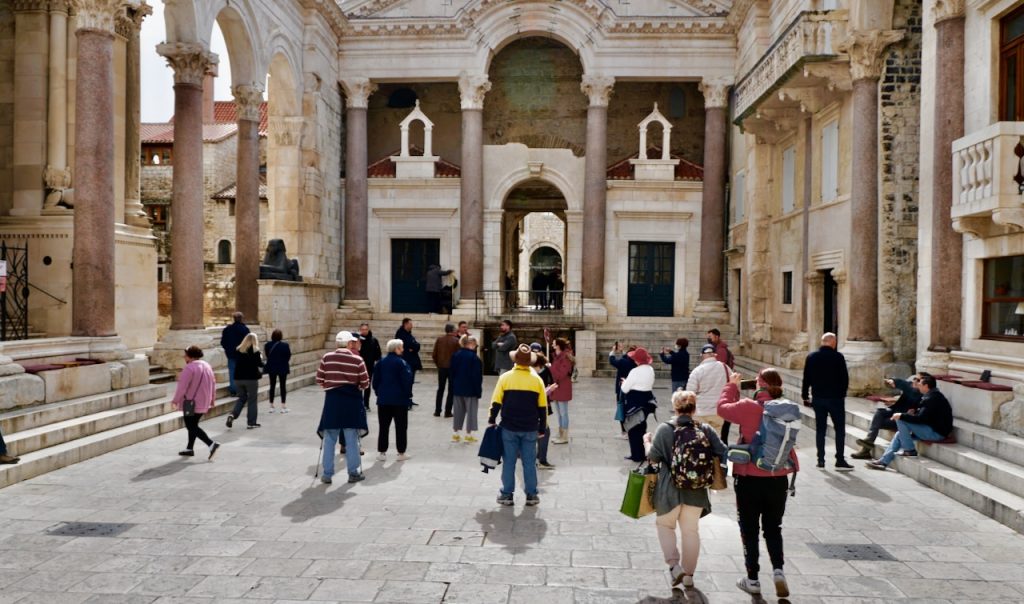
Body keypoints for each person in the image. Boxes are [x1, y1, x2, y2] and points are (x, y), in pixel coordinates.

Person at [717, 369, 798, 598]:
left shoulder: (747, 406)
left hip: (749, 477)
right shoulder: (788, 410)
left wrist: (732, 385)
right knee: (774, 528)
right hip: (778, 477)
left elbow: (722, 408)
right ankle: (778, 571)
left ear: (759, 384)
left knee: (749, 530)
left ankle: (752, 579)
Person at [643, 390, 726, 589]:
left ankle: (674, 567)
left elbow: (652, 457)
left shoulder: (665, 429)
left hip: (669, 490)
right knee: (691, 532)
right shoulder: (705, 429)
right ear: (694, 408)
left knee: (665, 526)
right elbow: (722, 450)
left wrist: (647, 441)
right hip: (696, 491)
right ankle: (688, 575)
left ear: (675, 408)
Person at [488, 344, 548, 506]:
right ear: (530, 362)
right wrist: (542, 428)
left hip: (509, 427)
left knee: (509, 462)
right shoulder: (537, 380)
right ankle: (531, 495)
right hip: (530, 428)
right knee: (529, 462)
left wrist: (491, 419)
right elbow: (543, 407)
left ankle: (507, 494)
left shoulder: (505, 378)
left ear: (515, 360)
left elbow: (496, 402)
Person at [867, 373, 954, 470]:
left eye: (920, 384)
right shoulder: (932, 395)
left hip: (936, 433)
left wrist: (902, 415)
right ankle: (883, 461)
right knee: (899, 434)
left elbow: (921, 419)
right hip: (930, 428)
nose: (918, 386)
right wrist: (913, 413)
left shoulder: (932, 398)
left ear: (926, 386)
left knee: (901, 419)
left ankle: (910, 449)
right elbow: (926, 415)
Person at [315, 331, 370, 484]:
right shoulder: (357, 360)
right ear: (349, 343)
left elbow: (319, 379)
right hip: (351, 403)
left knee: (329, 439)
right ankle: (353, 473)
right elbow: (365, 383)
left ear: (336, 343)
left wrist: (332, 386)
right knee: (352, 438)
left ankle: (327, 474)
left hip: (332, 402)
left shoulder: (327, 358)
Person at [801, 332, 854, 471]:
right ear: (833, 342)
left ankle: (821, 460)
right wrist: (841, 394)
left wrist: (805, 395)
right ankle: (840, 460)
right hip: (835, 399)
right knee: (840, 430)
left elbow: (806, 378)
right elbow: (844, 378)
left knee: (820, 430)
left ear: (822, 341)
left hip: (818, 398)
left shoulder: (811, 357)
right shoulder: (838, 357)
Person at [851, 374, 923, 459]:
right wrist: (892, 380)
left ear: (924, 384)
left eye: (918, 380)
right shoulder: (911, 387)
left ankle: (866, 448)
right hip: (894, 412)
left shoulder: (920, 393)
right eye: (914, 379)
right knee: (879, 413)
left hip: (901, 420)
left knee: (877, 422)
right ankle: (868, 442)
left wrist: (895, 381)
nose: (914, 381)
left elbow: (905, 386)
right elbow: (904, 384)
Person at [171, 345, 221, 459]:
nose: (184, 357)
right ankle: (189, 448)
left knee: (191, 426)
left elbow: (182, 387)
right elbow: (213, 384)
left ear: (190, 356)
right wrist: (212, 400)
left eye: (185, 355)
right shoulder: (207, 366)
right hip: (204, 401)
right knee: (193, 425)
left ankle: (211, 444)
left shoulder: (189, 368)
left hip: (190, 403)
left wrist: (175, 400)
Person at [373, 339, 414, 462]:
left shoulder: (380, 363)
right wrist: (408, 395)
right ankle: (401, 452)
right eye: (401, 347)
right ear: (396, 349)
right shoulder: (402, 363)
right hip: (399, 401)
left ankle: (382, 452)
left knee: (383, 426)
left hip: (383, 400)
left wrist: (379, 393)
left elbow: (375, 382)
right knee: (401, 427)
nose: (403, 350)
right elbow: (407, 381)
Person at [621, 347, 658, 462]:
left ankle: (636, 455)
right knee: (642, 427)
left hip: (635, 402)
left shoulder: (635, 371)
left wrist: (624, 382)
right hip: (647, 401)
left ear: (637, 360)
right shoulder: (650, 370)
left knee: (633, 429)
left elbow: (625, 389)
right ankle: (642, 453)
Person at [686, 344, 729, 431]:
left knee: (701, 439)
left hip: (701, 411)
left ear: (702, 355)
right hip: (718, 410)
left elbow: (690, 392)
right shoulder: (725, 367)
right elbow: (734, 383)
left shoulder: (697, 371)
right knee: (715, 438)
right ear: (714, 354)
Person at [225, 333, 264, 429]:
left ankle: (233, 415)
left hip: (238, 379)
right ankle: (251, 423)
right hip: (251, 379)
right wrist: (261, 358)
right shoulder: (256, 351)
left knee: (242, 398)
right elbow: (260, 364)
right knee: (252, 400)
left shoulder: (238, 350)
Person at [450, 335, 483, 443]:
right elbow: (476, 376)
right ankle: (468, 434)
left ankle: (455, 434)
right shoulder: (474, 358)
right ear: (471, 344)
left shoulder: (455, 355)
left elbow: (452, 373)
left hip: (457, 388)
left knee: (458, 411)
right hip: (471, 389)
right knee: (471, 412)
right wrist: (478, 391)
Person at [531, 347, 557, 469]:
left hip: (527, 410)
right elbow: (537, 394)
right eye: (540, 367)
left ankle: (534, 457)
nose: (541, 369)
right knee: (544, 432)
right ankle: (541, 460)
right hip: (535, 409)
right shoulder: (533, 377)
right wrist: (549, 390)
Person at [548, 337, 575, 445]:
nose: (552, 344)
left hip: (562, 386)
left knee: (563, 413)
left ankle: (564, 436)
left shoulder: (565, 357)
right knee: (559, 413)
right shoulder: (556, 356)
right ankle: (560, 433)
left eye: (554, 343)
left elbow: (562, 373)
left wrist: (551, 369)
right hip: (556, 387)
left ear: (558, 345)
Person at [432, 323, 461, 417]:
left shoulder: (439, 340)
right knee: (451, 390)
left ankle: (437, 411)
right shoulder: (457, 341)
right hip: (452, 368)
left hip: (442, 368)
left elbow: (434, 355)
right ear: (452, 331)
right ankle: (447, 411)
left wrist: (438, 365)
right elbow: (459, 356)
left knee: (440, 389)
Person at [609, 342, 637, 437]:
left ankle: (624, 432)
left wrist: (613, 351)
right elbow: (628, 357)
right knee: (631, 410)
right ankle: (631, 430)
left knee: (621, 409)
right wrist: (622, 351)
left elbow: (612, 360)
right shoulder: (636, 363)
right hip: (633, 390)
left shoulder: (623, 362)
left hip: (622, 389)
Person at [219, 311, 250, 396]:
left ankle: (233, 390)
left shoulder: (227, 329)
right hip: (242, 355)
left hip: (231, 354)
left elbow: (223, 342)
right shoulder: (245, 329)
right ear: (241, 319)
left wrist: (228, 350)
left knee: (232, 372)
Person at [264, 329, 292, 414]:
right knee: (283, 386)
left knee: (272, 385)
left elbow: (267, 355)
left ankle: (271, 406)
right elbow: (288, 356)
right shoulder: (285, 345)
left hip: (272, 367)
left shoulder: (267, 345)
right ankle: (283, 406)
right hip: (282, 367)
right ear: (281, 336)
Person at [358, 323, 382, 411]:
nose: (364, 331)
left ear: (368, 330)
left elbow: (378, 354)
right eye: (362, 329)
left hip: (369, 367)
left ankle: (366, 404)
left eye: (366, 329)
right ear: (360, 330)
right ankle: (359, 404)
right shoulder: (357, 340)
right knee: (358, 386)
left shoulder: (373, 340)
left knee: (367, 386)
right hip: (358, 367)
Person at [395, 318, 423, 384]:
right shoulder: (401, 334)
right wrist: (412, 347)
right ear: (405, 324)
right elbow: (410, 345)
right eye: (410, 324)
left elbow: (417, 346)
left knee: (410, 382)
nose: (412, 326)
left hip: (411, 362)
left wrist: (414, 347)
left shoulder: (409, 334)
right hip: (406, 361)